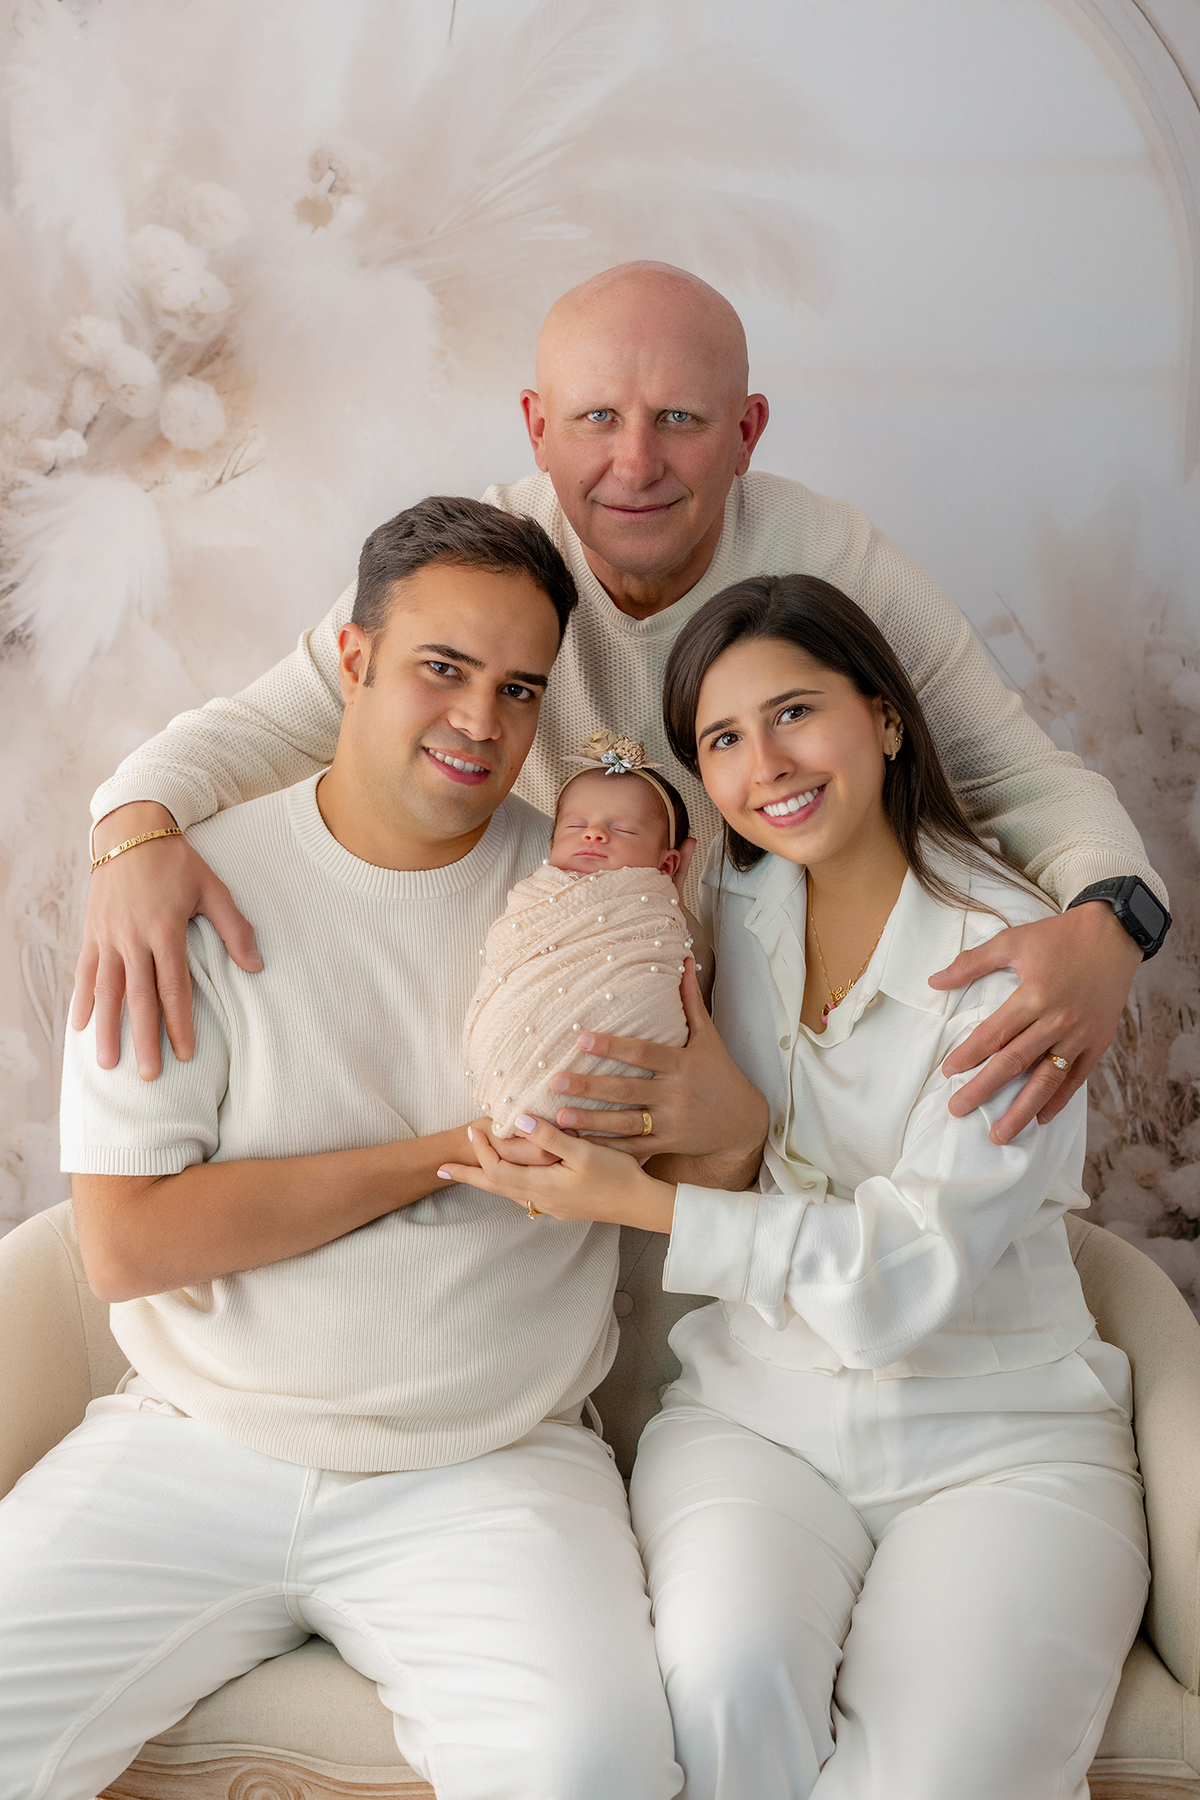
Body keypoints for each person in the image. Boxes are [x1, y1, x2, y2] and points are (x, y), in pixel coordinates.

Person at [74, 264, 1169, 1148]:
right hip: (548, 1015)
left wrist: (1112, 928)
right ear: (536, 427)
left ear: (748, 431)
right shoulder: (485, 570)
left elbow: (1018, 775)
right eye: (596, 416)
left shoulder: (831, 560)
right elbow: (258, 728)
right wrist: (129, 835)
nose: (633, 462)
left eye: (680, 418)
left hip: (773, 1034)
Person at [0, 497, 682, 1800]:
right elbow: (129, 1244)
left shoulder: (594, 906)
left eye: (519, 688)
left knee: (589, 1766)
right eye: (442, 669)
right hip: (197, 1442)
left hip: (488, 1462)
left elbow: (691, 1162)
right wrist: (445, 1153)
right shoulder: (181, 892)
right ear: (353, 661)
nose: (483, 723)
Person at [438, 573, 1151, 1800]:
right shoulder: (717, 905)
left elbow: (906, 1281)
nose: (765, 764)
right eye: (723, 739)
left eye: (795, 713)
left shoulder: (1008, 965)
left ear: (882, 715)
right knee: (721, 1692)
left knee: (940, 1779)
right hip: (754, 1421)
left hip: (1000, 1440)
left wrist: (648, 1202)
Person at [464, 733, 696, 1140]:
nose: (594, 835)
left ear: (668, 864)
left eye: (622, 830)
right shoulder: (535, 894)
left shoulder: (653, 912)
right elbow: (507, 953)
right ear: (552, 845)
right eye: (576, 825)